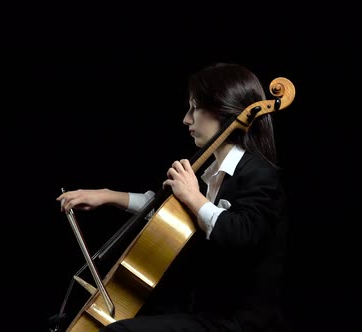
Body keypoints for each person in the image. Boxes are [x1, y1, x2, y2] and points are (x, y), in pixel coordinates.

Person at [57, 62, 289, 332]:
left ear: (225, 110)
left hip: (239, 323)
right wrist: (108, 196)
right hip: (201, 311)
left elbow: (241, 234)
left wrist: (193, 197)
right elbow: (167, 210)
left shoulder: (260, 175)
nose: (186, 119)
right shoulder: (210, 174)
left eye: (195, 108)